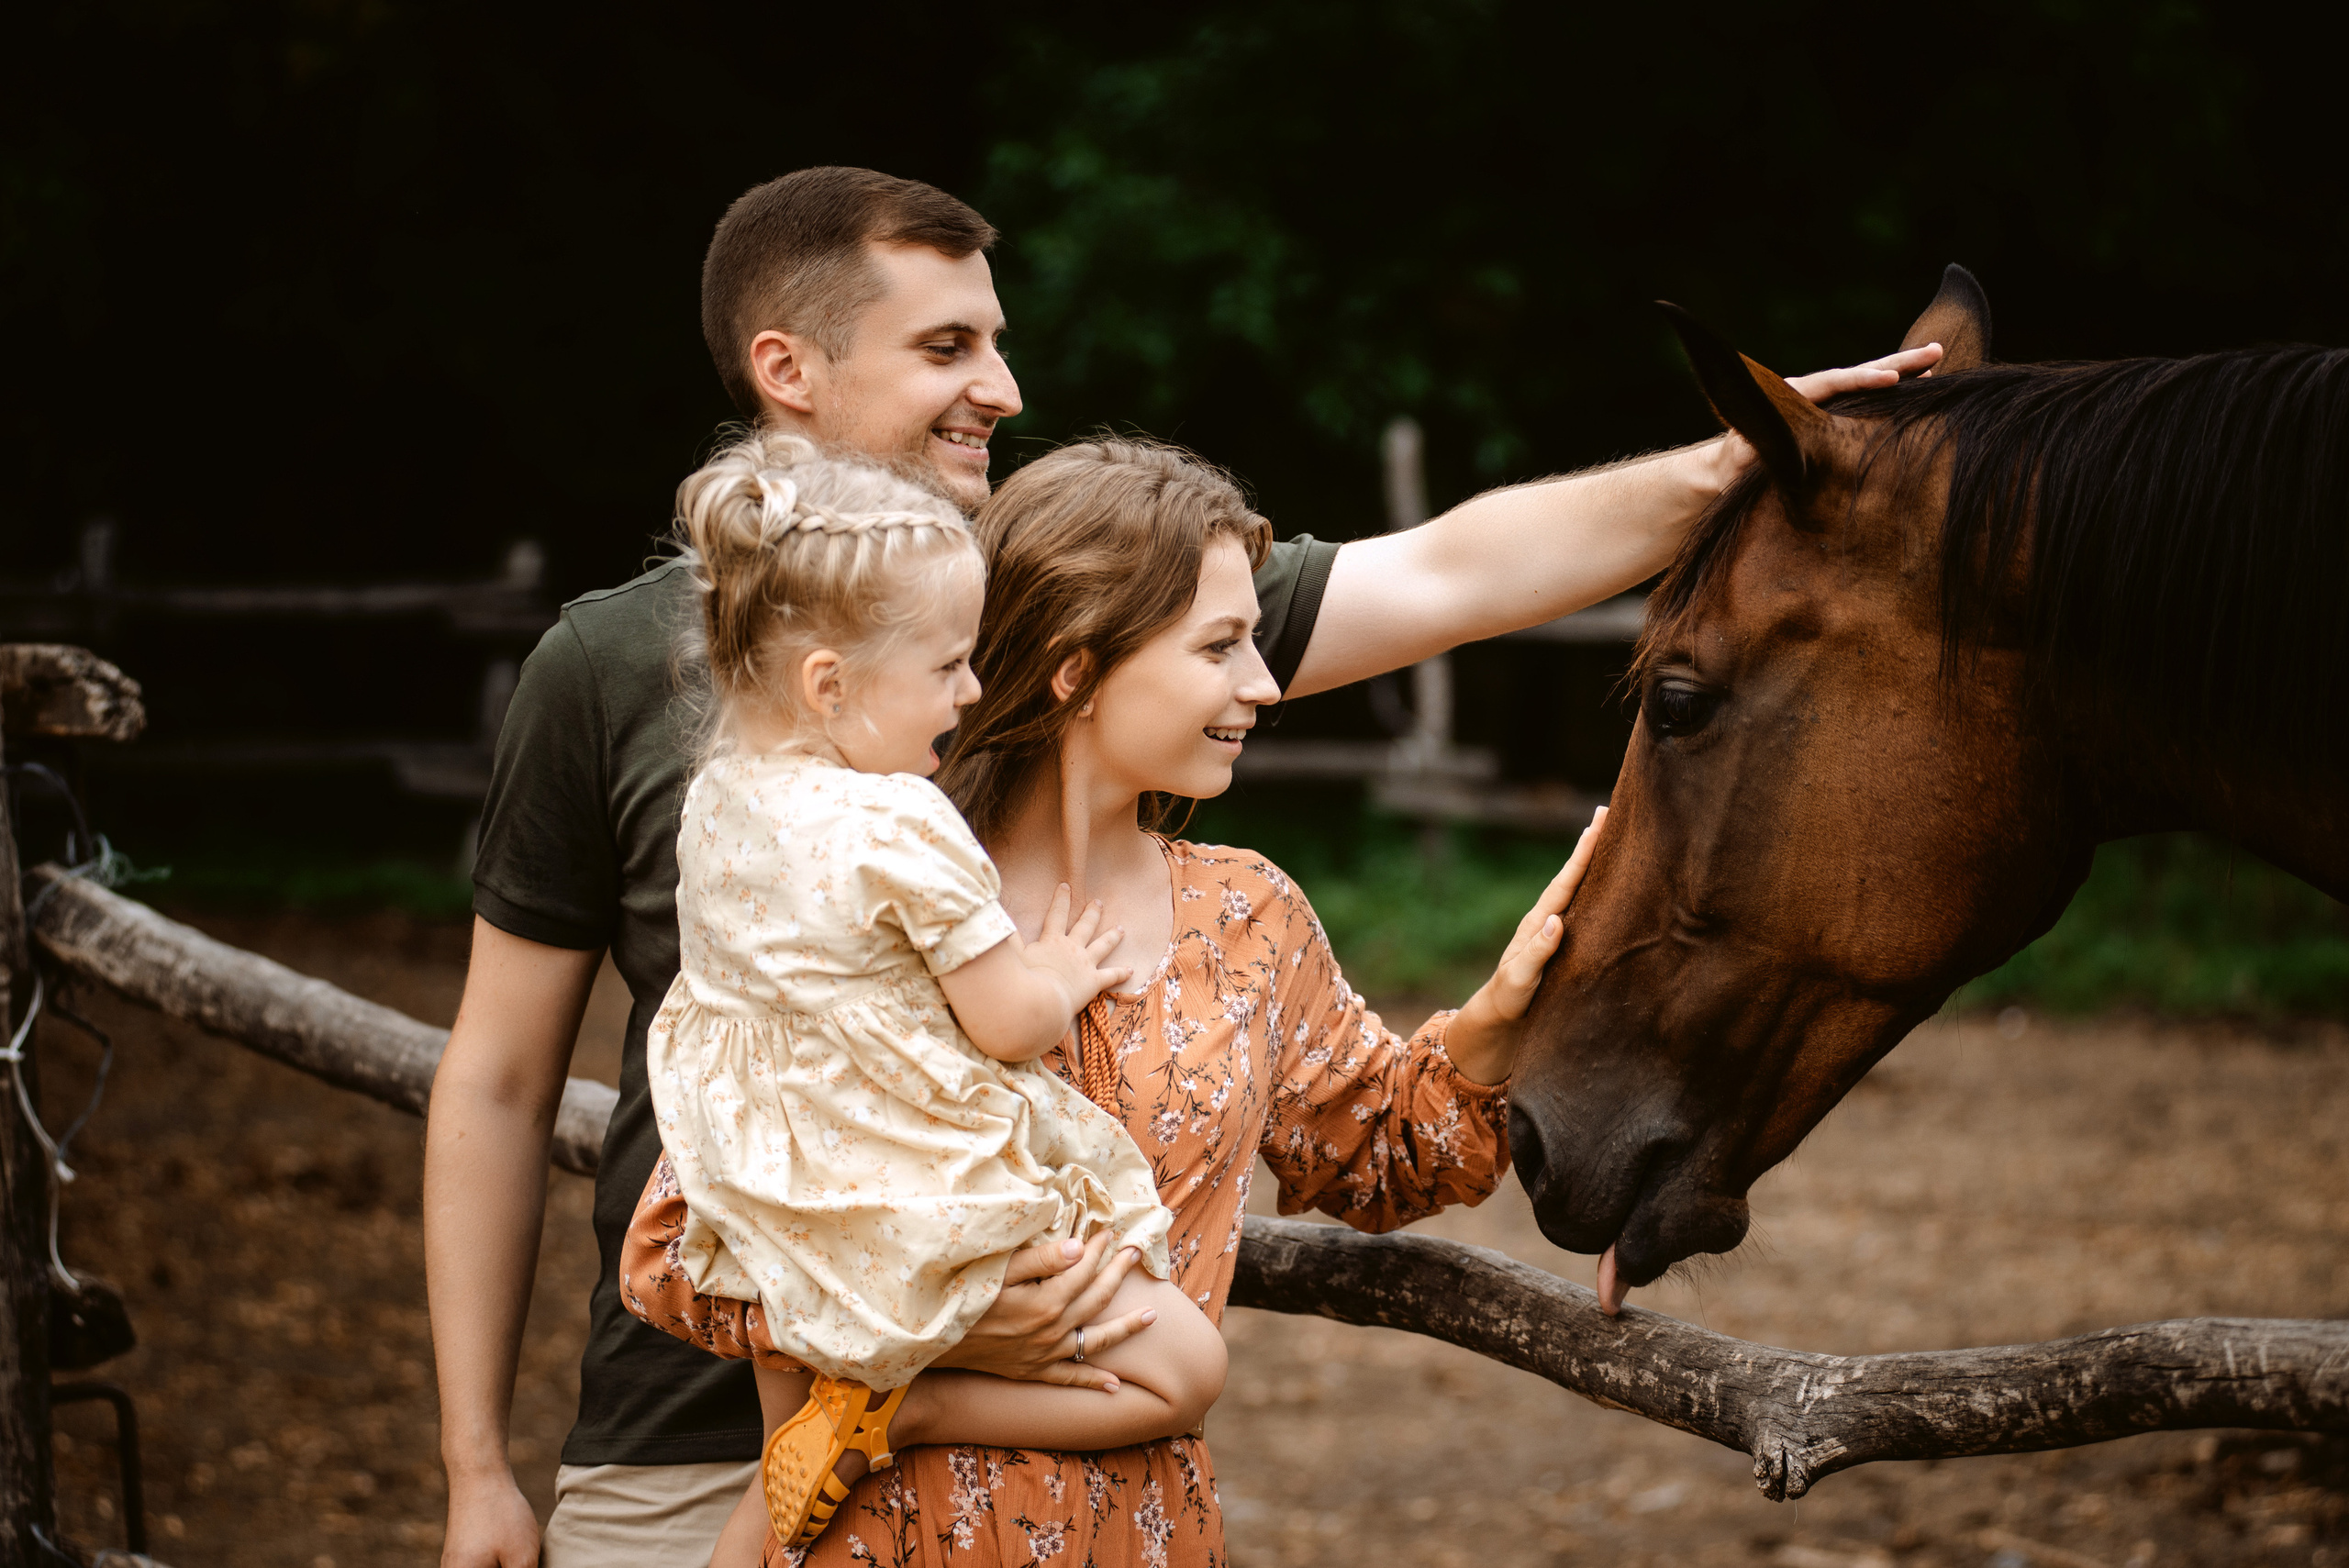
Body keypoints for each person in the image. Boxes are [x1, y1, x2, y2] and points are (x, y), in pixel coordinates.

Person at [423, 163, 1941, 1568]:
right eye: (948, 347)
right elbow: (509, 1086)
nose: (1001, 387)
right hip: (703, 1455)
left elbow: (1459, 568)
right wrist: (476, 1461)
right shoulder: (662, 700)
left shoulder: (1105, 599)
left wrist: (1764, 451)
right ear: (788, 366)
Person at [621, 433, 1605, 1565]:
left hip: (1135, 1535)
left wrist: (1504, 1008)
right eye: (1220, 646)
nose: (1265, 684)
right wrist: (945, 1324)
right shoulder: (851, 887)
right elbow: (673, 1249)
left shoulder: (1247, 917)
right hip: (884, 1531)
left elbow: (1378, 1157)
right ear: (1077, 666)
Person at [645, 431, 1223, 1564]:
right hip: (914, 1197)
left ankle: (810, 1450)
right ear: (831, 683)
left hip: (778, 1200)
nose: (967, 691)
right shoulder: (901, 822)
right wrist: (1059, 971)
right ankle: (909, 1410)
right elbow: (1004, 1021)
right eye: (948, 665)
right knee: (1186, 1369)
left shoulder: (714, 802)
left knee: (783, 1518)